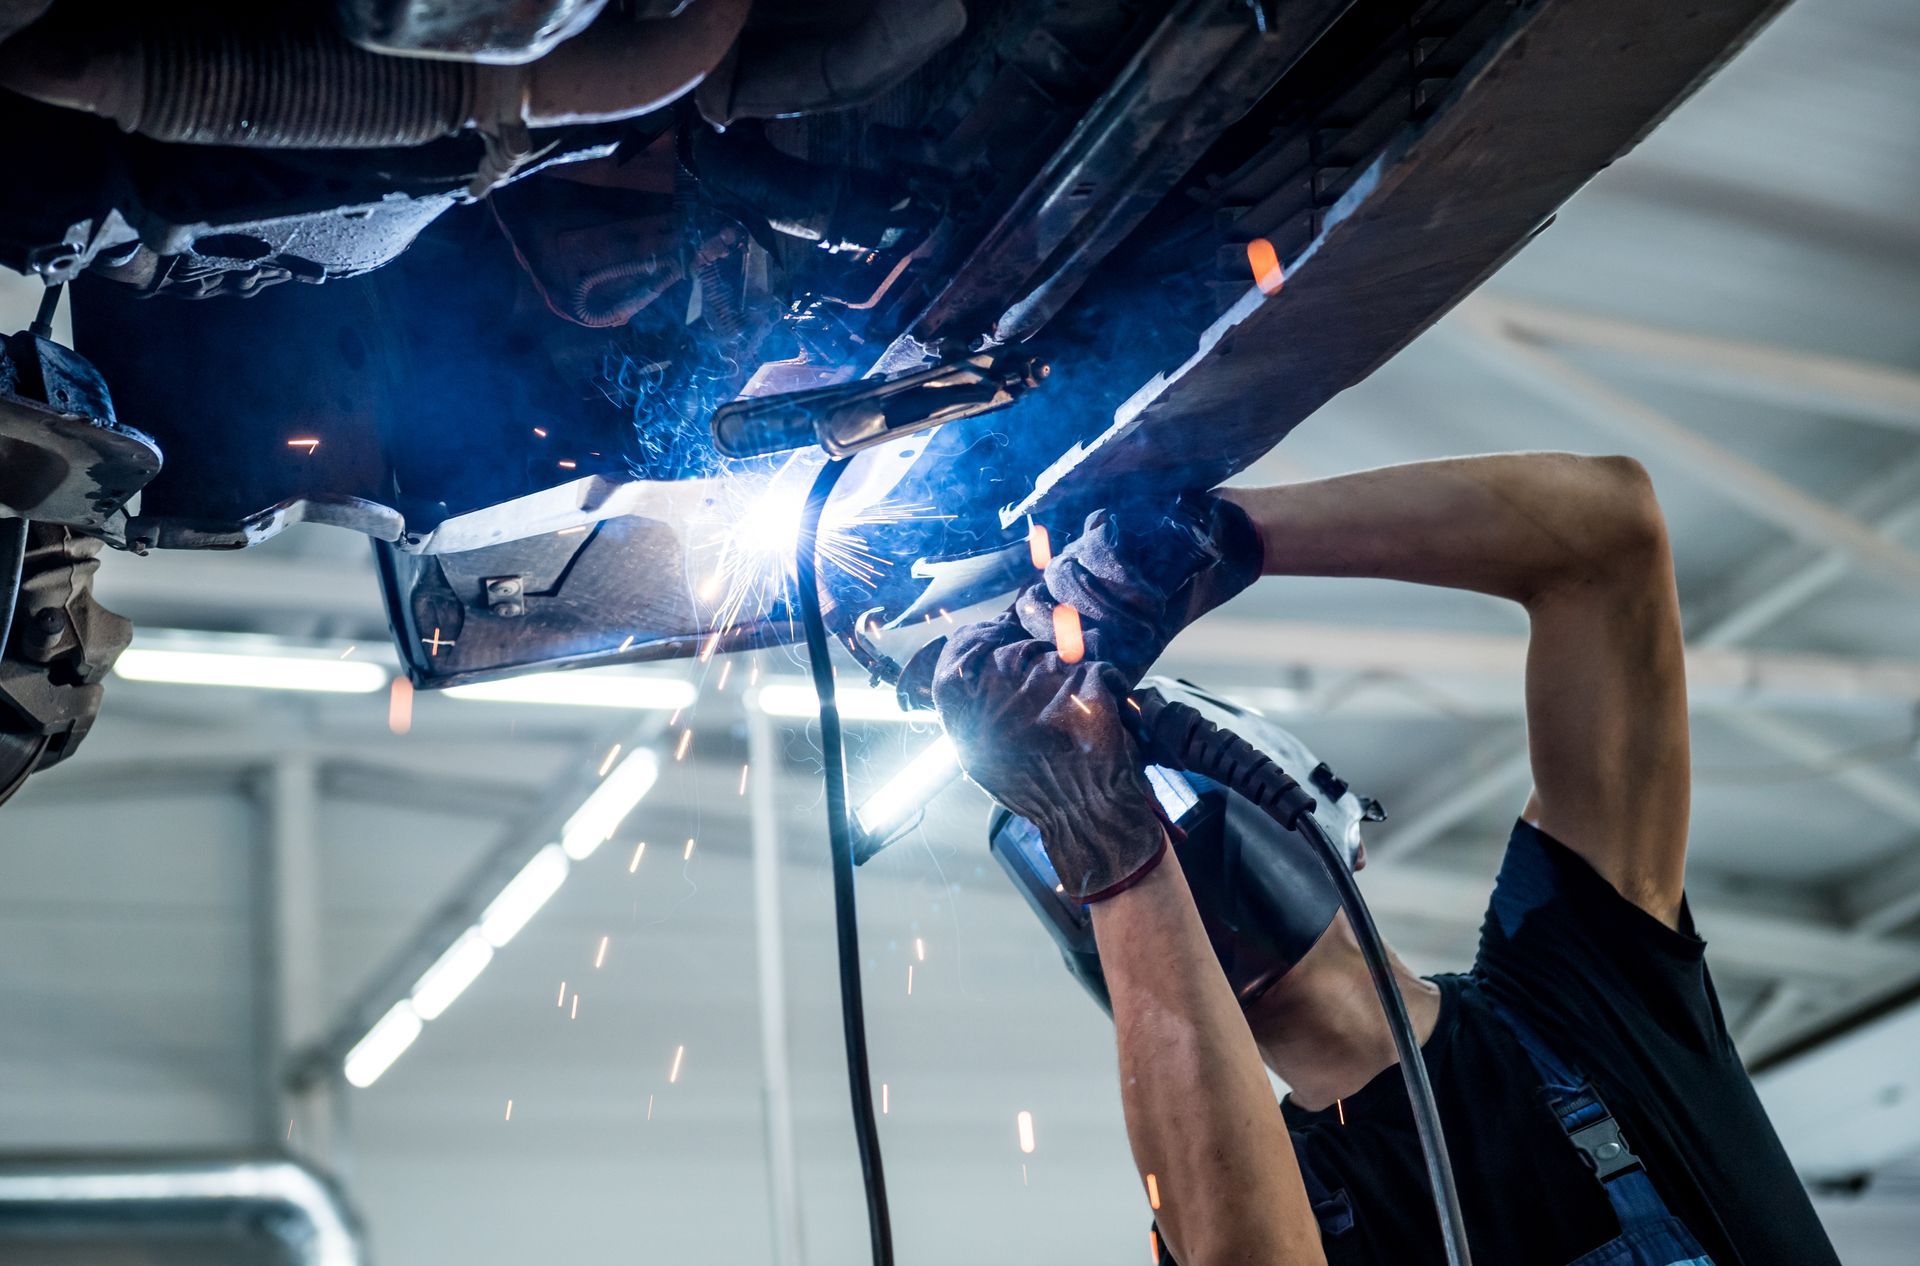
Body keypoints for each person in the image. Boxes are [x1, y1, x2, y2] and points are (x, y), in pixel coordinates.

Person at [932, 453, 1840, 1265]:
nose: (1152, 829)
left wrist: (1213, 541)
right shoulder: (1234, 1181)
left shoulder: (1586, 985)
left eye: (1149, 794)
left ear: (1323, 816)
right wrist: (1104, 839)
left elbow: (1608, 536)